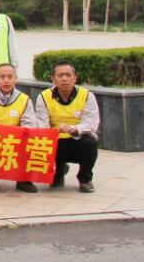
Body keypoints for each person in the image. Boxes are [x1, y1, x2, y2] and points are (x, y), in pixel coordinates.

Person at [35, 60, 100, 193]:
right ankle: (58, 172)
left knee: (90, 143)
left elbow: (92, 124)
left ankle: (85, 179)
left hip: (77, 139)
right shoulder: (43, 97)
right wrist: (56, 130)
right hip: (56, 139)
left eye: (68, 75)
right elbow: (42, 126)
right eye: (60, 75)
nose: (64, 79)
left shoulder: (87, 96)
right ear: (53, 79)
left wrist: (72, 129)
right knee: (40, 143)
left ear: (74, 78)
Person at [0, 63, 38, 193]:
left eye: (10, 77)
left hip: (13, 141)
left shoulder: (24, 99)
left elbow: (29, 125)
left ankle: (24, 180)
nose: (6, 80)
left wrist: (15, 135)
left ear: (16, 79)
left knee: (31, 142)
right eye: (2, 77)